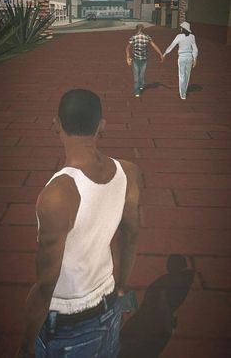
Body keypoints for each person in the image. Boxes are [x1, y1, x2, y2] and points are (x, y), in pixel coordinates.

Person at [16, 89, 141, 358]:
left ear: (56, 125)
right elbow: (130, 235)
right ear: (102, 125)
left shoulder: (58, 194)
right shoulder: (128, 173)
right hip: (108, 304)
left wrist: (25, 345)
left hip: (67, 324)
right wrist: (120, 287)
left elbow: (46, 283)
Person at [163, 21, 198, 100]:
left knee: (181, 76)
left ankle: (183, 94)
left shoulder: (179, 36)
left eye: (181, 28)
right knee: (187, 75)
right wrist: (195, 59)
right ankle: (184, 92)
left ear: (183, 29)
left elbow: (172, 46)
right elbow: (195, 49)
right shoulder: (192, 36)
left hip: (181, 58)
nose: (180, 29)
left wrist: (165, 53)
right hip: (189, 58)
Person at [126, 24, 163, 97]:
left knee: (139, 75)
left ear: (136, 29)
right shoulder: (146, 37)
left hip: (138, 59)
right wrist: (160, 54)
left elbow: (127, 48)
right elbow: (154, 46)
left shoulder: (134, 37)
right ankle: (137, 90)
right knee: (139, 75)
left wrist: (127, 57)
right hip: (140, 59)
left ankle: (140, 86)